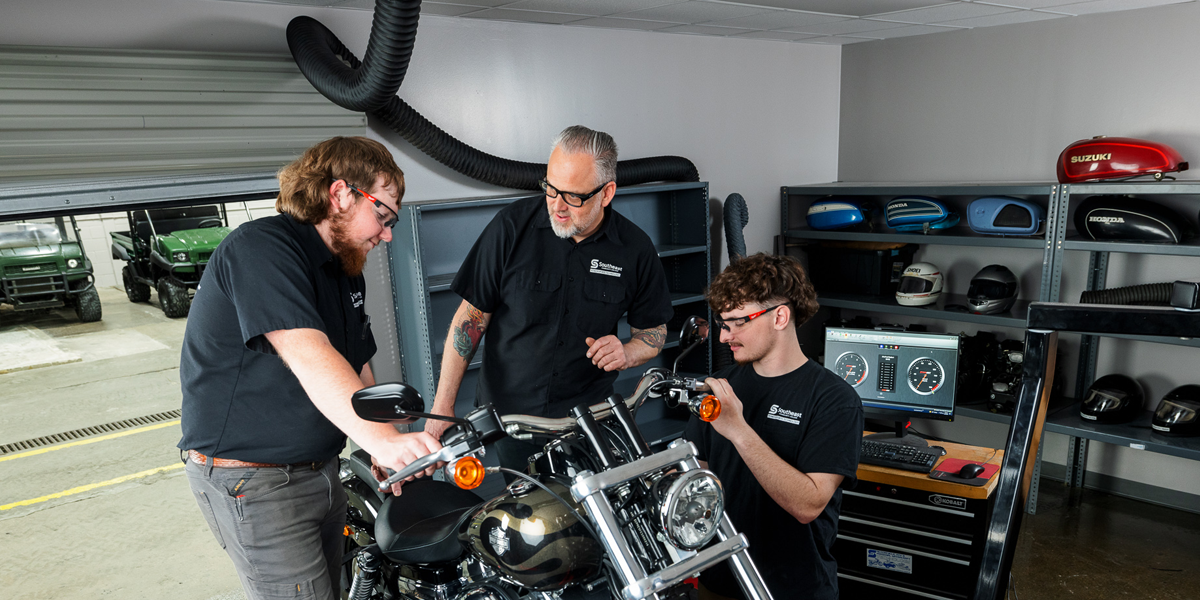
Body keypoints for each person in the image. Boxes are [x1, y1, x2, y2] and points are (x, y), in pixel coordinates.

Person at [178, 136, 442, 600]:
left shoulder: (344, 269)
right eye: (383, 216)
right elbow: (307, 352)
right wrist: (382, 440)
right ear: (340, 194)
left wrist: (381, 448)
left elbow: (355, 363)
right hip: (254, 481)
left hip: (319, 469)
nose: (387, 234)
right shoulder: (262, 250)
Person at [426, 125, 674, 472]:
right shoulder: (510, 228)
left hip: (587, 418)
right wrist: (442, 408)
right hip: (511, 418)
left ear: (607, 193)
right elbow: (470, 319)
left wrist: (628, 351)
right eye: (551, 188)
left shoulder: (635, 249)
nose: (557, 206)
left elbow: (655, 332)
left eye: (573, 196)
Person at [684, 253, 863, 600]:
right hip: (717, 582)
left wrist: (738, 429)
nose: (724, 336)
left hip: (792, 589)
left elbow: (808, 505)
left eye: (738, 322)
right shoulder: (720, 384)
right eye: (723, 323)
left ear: (780, 316)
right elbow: (696, 475)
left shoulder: (834, 399)